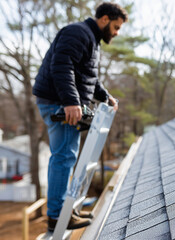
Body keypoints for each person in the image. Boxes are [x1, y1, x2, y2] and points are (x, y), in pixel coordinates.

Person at [32, 2, 127, 231]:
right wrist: (72, 102)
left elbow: (88, 78)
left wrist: (106, 97)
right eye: (115, 27)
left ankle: (66, 209)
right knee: (64, 156)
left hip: (66, 102)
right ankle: (56, 216)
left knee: (68, 155)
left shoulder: (91, 40)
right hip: (59, 103)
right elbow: (62, 66)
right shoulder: (78, 32)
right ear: (104, 19)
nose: (116, 33)